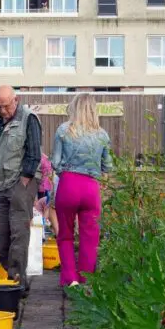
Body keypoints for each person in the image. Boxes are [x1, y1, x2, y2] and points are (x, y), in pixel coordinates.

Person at [51, 92, 112, 287]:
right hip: (91, 188)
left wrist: (65, 172)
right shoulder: (102, 135)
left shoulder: (63, 130)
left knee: (66, 234)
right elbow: (108, 166)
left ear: (74, 108)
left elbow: (55, 162)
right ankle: (87, 279)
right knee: (90, 236)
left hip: (68, 185)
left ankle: (70, 279)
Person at [0, 85, 43, 291]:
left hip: (22, 183)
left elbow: (34, 153)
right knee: (0, 238)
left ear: (16, 100)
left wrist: (24, 181)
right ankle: (14, 275)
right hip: (3, 184)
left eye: (5, 106)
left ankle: (17, 282)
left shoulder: (29, 119)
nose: (2, 111)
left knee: (19, 234)